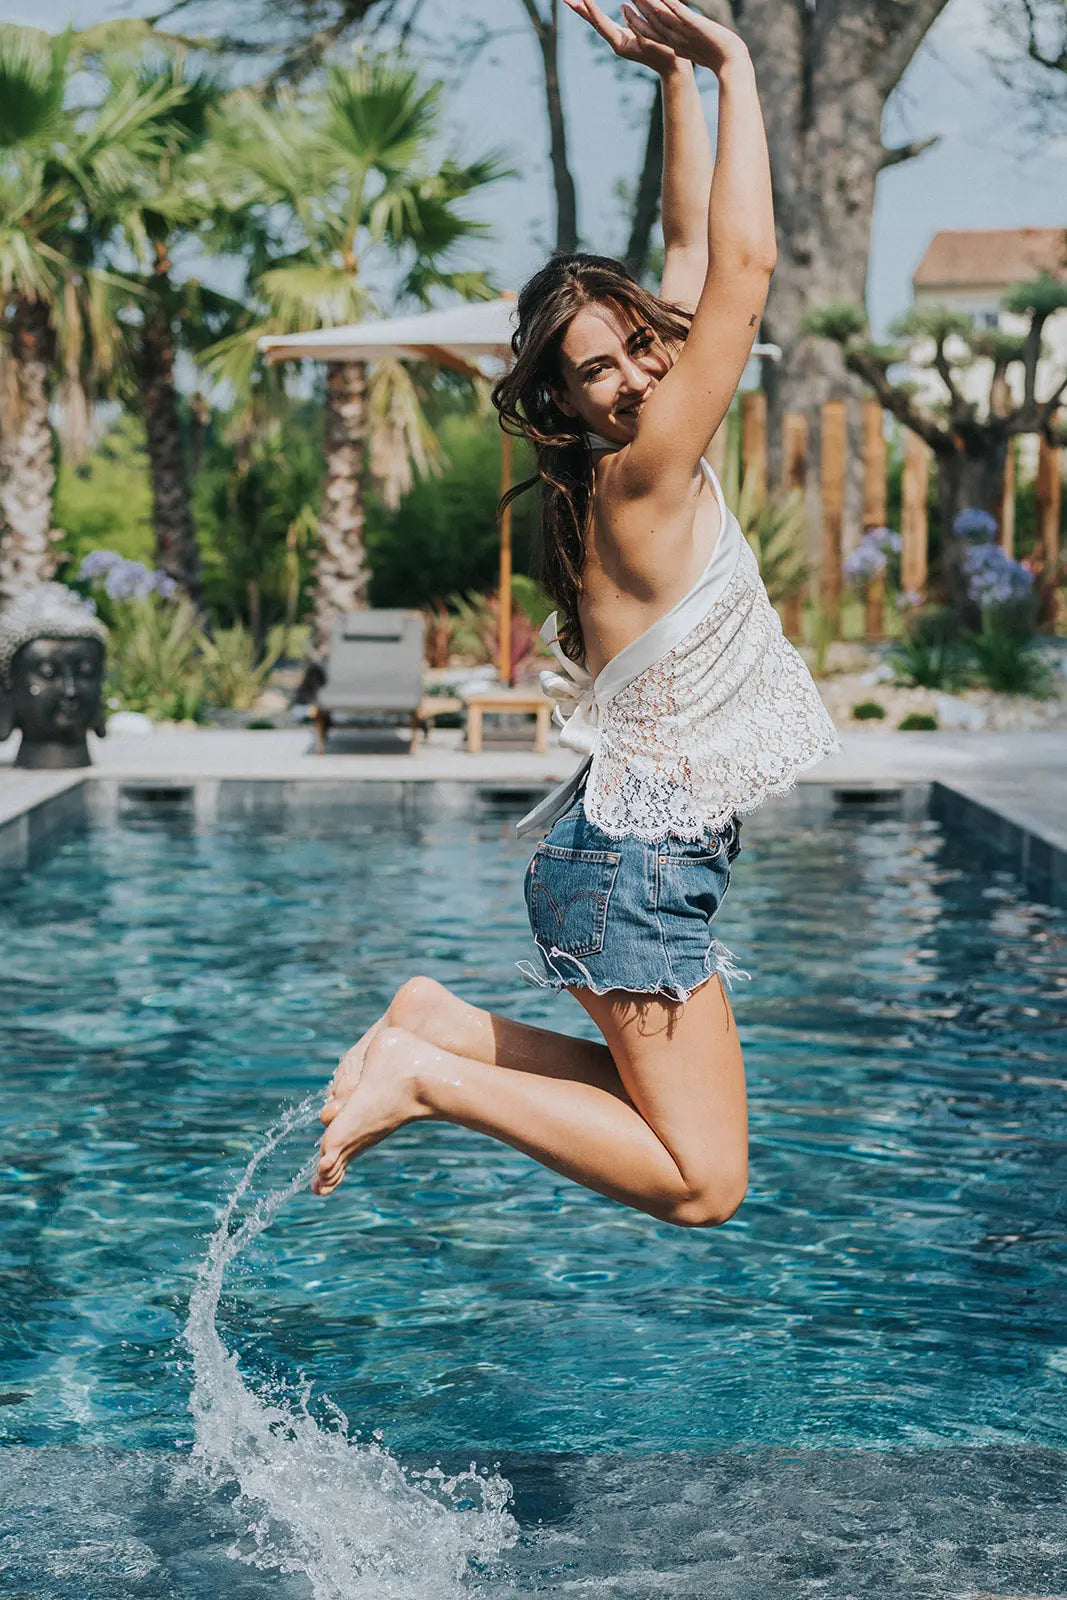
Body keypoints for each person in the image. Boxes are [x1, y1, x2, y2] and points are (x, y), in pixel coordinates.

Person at [313, 0, 839, 1224]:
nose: (635, 377)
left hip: (630, 862)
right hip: (635, 869)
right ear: (563, 399)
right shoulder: (645, 472)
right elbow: (745, 272)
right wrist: (735, 63)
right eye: (594, 369)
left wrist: (670, 88)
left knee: (664, 1128)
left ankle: (440, 1032)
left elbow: (692, 251)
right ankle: (430, 1075)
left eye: (637, 348)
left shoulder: (615, 470)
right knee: (701, 1182)